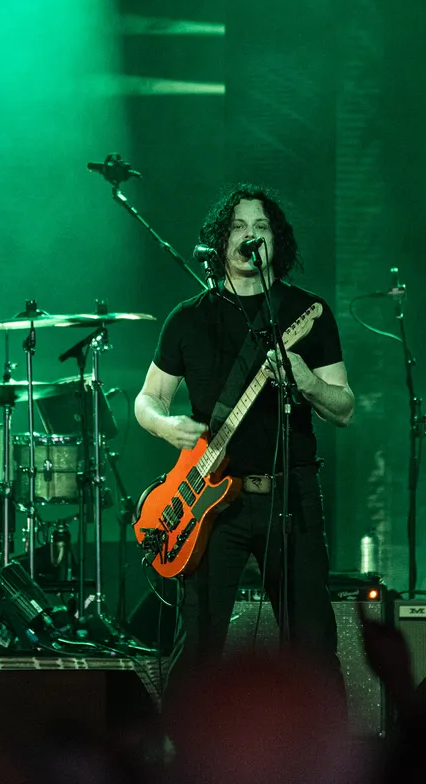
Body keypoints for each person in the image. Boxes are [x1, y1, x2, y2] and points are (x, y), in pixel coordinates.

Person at [134, 184, 355, 696]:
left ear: (277, 241)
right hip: (209, 502)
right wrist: (166, 426)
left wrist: (307, 382)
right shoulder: (188, 317)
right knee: (199, 644)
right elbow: (147, 399)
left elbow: (344, 408)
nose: (249, 235)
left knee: (312, 642)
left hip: (290, 494)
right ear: (220, 240)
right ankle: (185, 743)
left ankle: (323, 744)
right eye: (237, 226)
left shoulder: (307, 312)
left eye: (260, 227)